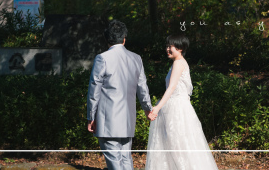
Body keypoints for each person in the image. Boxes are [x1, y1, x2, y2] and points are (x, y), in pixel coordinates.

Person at [87, 20, 153, 170]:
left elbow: (94, 90)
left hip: (108, 119)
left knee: (115, 161)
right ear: (124, 38)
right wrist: (147, 108)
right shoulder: (136, 58)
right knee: (125, 157)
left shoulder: (102, 58)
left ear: (107, 39)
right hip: (128, 118)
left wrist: (91, 116)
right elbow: (142, 87)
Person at [145, 34, 219, 170]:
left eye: (170, 46)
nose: (167, 49)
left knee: (177, 145)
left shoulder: (179, 63)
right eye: (166, 46)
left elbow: (172, 87)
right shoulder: (179, 62)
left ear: (180, 48)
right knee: (177, 144)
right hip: (176, 107)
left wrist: (157, 107)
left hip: (177, 109)